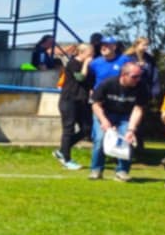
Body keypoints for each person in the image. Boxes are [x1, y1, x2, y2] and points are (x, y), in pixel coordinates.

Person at [89, 59, 146, 182]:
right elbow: (95, 105)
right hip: (105, 114)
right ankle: (96, 170)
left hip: (125, 116)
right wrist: (104, 121)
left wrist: (131, 130)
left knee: (127, 140)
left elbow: (138, 109)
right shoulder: (107, 84)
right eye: (134, 77)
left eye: (139, 76)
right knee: (100, 139)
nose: (138, 79)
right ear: (124, 75)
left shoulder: (141, 87)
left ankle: (122, 171)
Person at [52, 41, 93, 171]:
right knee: (68, 129)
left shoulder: (89, 66)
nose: (92, 56)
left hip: (82, 101)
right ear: (82, 53)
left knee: (87, 128)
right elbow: (80, 77)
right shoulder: (73, 63)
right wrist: (86, 64)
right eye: (90, 54)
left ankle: (62, 150)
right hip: (69, 100)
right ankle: (66, 159)